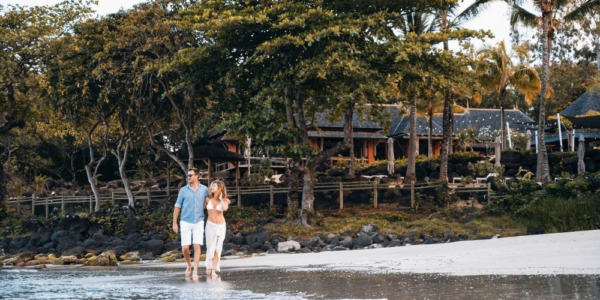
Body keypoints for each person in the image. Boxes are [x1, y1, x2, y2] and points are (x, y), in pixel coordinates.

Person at [172, 167, 208, 278]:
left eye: (191, 175)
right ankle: (189, 264)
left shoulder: (204, 189)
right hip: (185, 221)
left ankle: (195, 271)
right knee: (185, 247)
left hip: (199, 220)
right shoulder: (183, 190)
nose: (188, 177)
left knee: (197, 246)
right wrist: (174, 223)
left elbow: (209, 202)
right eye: (188, 175)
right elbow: (177, 206)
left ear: (197, 176)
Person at [204, 179, 230, 278]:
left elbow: (225, 208)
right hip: (210, 225)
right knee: (210, 246)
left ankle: (214, 269)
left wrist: (221, 198)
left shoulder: (224, 200)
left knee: (217, 248)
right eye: (211, 186)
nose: (211, 187)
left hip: (220, 226)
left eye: (214, 186)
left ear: (220, 188)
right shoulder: (207, 199)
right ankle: (208, 266)